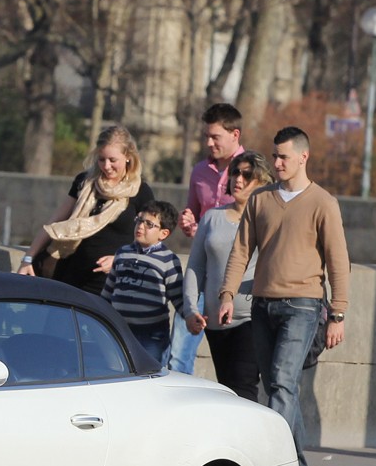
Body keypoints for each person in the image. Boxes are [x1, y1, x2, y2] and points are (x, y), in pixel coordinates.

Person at [217, 127, 350, 466]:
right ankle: (298, 464)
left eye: (283, 157)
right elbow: (241, 250)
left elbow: (338, 261)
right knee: (277, 386)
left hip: (303, 306)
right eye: (275, 156)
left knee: (282, 381)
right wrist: (227, 294)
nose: (276, 163)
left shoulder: (323, 203)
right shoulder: (261, 200)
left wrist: (338, 313)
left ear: (303, 157)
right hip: (262, 305)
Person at [17, 124, 157, 295]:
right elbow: (55, 224)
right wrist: (28, 258)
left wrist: (118, 260)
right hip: (71, 277)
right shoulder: (85, 182)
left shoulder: (141, 192)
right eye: (101, 159)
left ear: (128, 157)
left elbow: (151, 242)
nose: (106, 166)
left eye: (113, 160)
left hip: (113, 284)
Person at [183, 151, 274, 402]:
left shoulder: (267, 220)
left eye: (247, 175)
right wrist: (190, 309)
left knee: (242, 386)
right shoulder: (212, 218)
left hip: (251, 317)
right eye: (235, 173)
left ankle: (249, 440)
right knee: (227, 388)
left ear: (262, 182)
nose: (239, 180)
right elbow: (195, 268)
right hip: (215, 321)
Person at [167, 103, 246, 374]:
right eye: (206, 137)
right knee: (178, 351)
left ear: (235, 134)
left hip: (238, 279)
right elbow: (196, 217)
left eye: (216, 137)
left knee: (236, 367)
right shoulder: (199, 171)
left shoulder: (251, 172)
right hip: (201, 272)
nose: (209, 143)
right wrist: (189, 224)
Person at [101, 200, 184, 362]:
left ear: (163, 233)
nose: (140, 226)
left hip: (151, 335)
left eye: (149, 224)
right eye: (139, 221)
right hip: (119, 329)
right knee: (116, 371)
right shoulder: (122, 253)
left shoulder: (168, 260)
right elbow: (107, 292)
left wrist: (191, 317)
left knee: (148, 373)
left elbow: (178, 297)